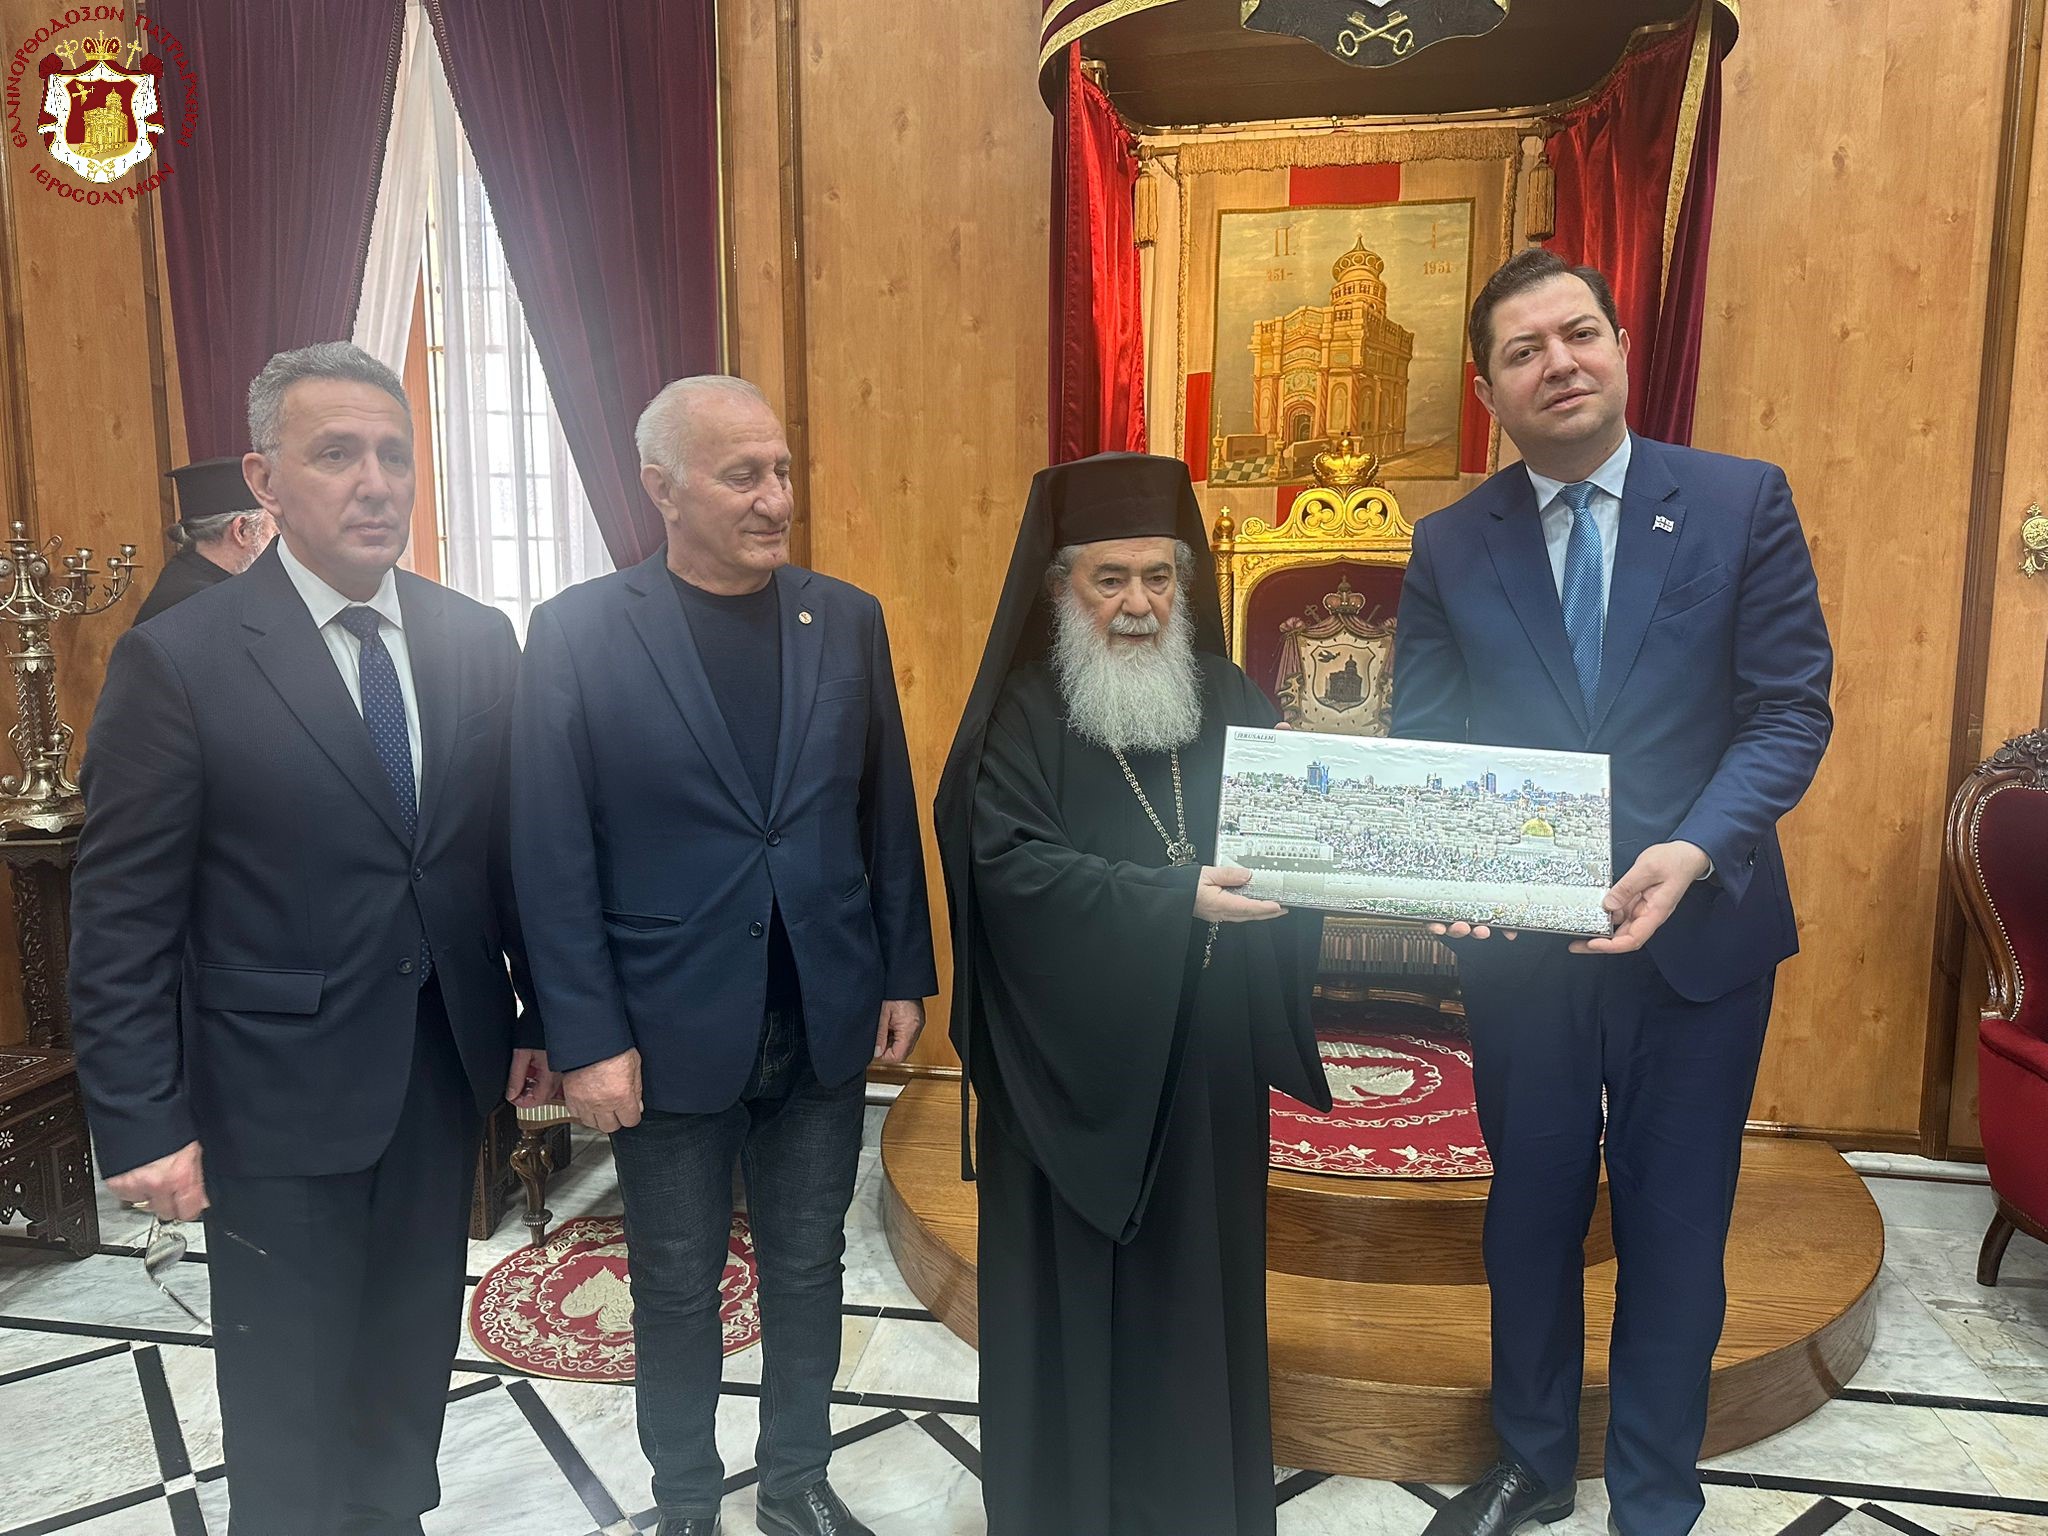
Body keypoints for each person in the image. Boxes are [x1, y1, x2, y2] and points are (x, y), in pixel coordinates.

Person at [69, 341, 556, 1535]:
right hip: (271, 1098)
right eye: (336, 454)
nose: (374, 482)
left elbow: (507, 855)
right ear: (265, 480)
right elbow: (122, 913)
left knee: (404, 1378)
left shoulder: (474, 638)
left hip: (438, 1077)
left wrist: (541, 1014)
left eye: (393, 454)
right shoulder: (179, 660)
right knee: (288, 1405)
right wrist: (141, 1116)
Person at [1391, 250, 1833, 1536]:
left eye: (1577, 333)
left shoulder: (1737, 501)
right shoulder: (1448, 543)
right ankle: (1530, 1461)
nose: (1558, 363)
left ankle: (1652, 1493)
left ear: (1622, 349)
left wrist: (1690, 850)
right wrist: (1448, 869)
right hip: (1521, 951)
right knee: (1528, 1211)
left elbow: (1786, 711)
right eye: (1522, 351)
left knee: (1674, 1226)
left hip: (1698, 942)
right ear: (1488, 392)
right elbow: (1425, 742)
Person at [511, 375, 935, 1536]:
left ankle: (795, 1485)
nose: (774, 499)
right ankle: (687, 1503)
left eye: (781, 471)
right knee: (674, 1282)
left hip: (821, 1009)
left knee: (806, 1267)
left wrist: (901, 970)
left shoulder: (842, 617)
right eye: (741, 476)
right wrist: (585, 1037)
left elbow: (883, 807)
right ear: (662, 489)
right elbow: (549, 853)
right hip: (661, 1027)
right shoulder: (578, 632)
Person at [933, 451, 1332, 1536]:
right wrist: (1171, 901)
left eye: (1158, 576)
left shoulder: (1230, 696)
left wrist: (1386, 861)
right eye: (1109, 579)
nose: (1138, 604)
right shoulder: (1021, 715)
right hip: (1066, 1078)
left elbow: (1305, 838)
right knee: (1072, 1309)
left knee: (1196, 1300)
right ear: (1061, 587)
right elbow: (1005, 869)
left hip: (1202, 1070)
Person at [132, 456, 276, 624]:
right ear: (241, 530)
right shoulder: (202, 602)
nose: (278, 541)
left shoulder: (186, 573)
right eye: (274, 530)